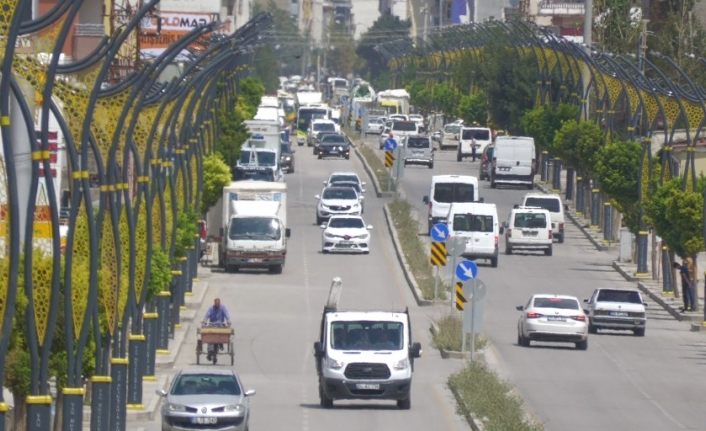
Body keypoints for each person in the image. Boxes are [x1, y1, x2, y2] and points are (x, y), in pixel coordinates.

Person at [203, 298, 231, 363]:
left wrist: (228, 321)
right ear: (214, 304)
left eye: (218, 305)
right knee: (209, 337)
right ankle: (209, 352)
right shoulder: (211, 308)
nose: (217, 306)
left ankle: (220, 343)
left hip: (220, 325)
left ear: (220, 304)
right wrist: (204, 322)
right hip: (212, 325)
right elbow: (207, 315)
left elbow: (227, 315)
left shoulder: (223, 308)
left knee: (221, 335)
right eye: (216, 305)